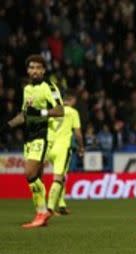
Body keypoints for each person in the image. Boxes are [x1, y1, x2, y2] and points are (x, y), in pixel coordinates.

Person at [0, 54, 64, 228]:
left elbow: (60, 110)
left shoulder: (49, 87)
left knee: (29, 173)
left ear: (43, 70)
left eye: (38, 68)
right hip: (29, 136)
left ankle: (42, 212)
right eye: (32, 68)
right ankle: (40, 214)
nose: (35, 71)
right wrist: (7, 126)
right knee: (36, 177)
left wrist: (41, 113)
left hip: (42, 135)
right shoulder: (27, 88)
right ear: (28, 70)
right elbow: (24, 114)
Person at [46, 91, 84, 215]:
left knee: (62, 176)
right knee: (59, 177)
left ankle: (61, 205)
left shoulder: (53, 110)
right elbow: (77, 133)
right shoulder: (73, 112)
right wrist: (81, 147)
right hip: (62, 148)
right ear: (72, 100)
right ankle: (50, 208)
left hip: (49, 148)